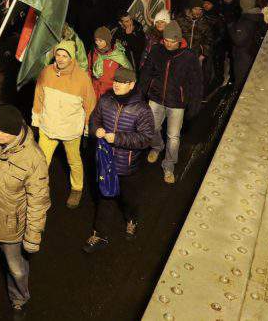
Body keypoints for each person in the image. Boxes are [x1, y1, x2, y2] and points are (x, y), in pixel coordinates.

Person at [0, 105, 49, 315]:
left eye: (4, 131)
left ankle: (19, 299)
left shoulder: (34, 158)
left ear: (16, 132)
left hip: (11, 230)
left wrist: (32, 237)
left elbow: (38, 202)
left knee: (17, 270)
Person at [83, 67, 155, 253]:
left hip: (127, 166)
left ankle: (131, 219)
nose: (116, 84)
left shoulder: (142, 109)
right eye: (116, 80)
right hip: (106, 163)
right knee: (105, 197)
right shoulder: (105, 100)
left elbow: (146, 138)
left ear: (131, 85)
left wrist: (118, 138)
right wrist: (95, 129)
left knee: (128, 199)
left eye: (122, 82)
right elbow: (94, 119)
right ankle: (100, 234)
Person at [31, 40, 96, 208]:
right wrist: (36, 118)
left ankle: (77, 188)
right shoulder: (46, 72)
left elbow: (90, 104)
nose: (60, 59)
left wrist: (88, 128)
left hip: (70, 129)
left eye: (64, 56)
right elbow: (38, 96)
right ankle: (38, 190)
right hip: (48, 127)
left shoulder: (82, 78)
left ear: (71, 58)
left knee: (73, 160)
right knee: (41, 162)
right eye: (58, 55)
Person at [138, 21, 203, 184]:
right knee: (151, 127)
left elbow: (196, 81)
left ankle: (169, 166)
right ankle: (157, 147)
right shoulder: (156, 50)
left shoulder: (188, 56)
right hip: (157, 98)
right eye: (166, 40)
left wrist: (194, 104)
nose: (168, 44)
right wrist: (141, 92)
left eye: (172, 41)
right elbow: (146, 72)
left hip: (177, 102)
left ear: (179, 40)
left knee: (173, 136)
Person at [227, 0, 266, 84]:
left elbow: (238, 40)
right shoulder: (258, 16)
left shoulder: (246, 20)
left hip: (244, 57)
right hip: (253, 52)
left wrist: (231, 27)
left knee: (241, 81)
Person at [88, 26, 132, 99]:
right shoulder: (93, 53)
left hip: (110, 93)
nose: (97, 43)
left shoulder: (118, 56)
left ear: (107, 40)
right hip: (94, 90)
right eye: (96, 40)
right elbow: (89, 69)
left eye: (100, 41)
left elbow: (127, 75)